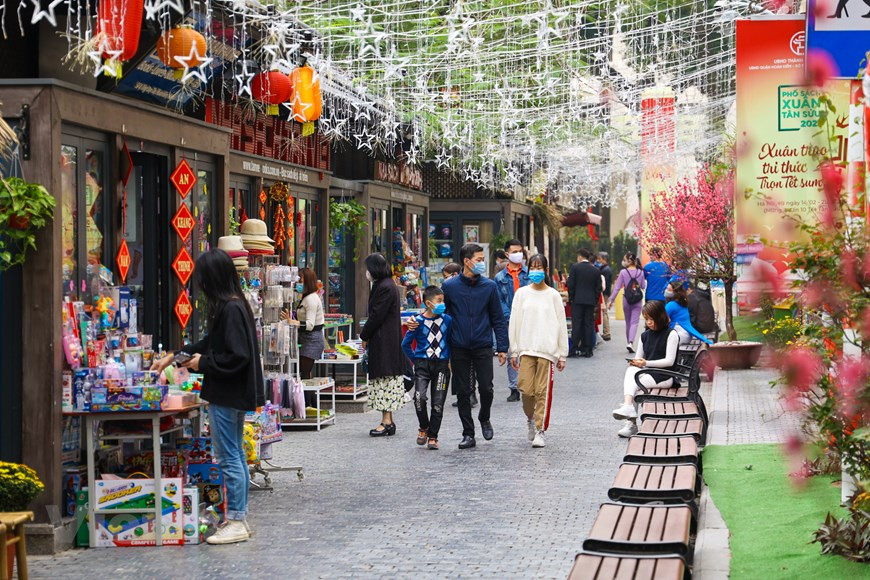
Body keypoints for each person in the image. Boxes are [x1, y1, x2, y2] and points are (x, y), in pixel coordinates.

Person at [151, 249, 263, 544]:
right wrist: (175, 356)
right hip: (233, 393)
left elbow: (235, 356)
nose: (198, 284)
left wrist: (203, 363)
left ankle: (237, 519)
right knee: (235, 455)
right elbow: (210, 343)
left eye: (201, 278)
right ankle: (237, 517)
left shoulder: (230, 309)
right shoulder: (232, 306)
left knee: (230, 457)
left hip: (228, 394)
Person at [410, 243, 508, 449]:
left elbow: (498, 318)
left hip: (482, 344)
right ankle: (468, 433)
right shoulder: (450, 287)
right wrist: (415, 322)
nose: (482, 263)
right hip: (458, 345)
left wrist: (502, 347)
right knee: (463, 391)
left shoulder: (489, 286)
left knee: (487, 388)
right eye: (479, 259)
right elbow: (436, 313)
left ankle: (484, 417)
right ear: (467, 261)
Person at [508, 254, 568, 448]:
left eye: (539, 267)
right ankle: (531, 418)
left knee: (543, 391)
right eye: (532, 267)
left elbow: (561, 323)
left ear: (545, 270)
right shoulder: (522, 294)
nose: (535, 271)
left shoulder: (553, 295)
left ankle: (540, 430)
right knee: (526, 390)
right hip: (526, 348)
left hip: (547, 350)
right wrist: (514, 350)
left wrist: (562, 353)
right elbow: (514, 322)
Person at [610, 301, 679, 437]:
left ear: (660, 317)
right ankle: (629, 406)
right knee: (631, 371)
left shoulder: (671, 334)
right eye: (646, 319)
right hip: (648, 373)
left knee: (636, 385)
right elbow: (638, 358)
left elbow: (669, 361)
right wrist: (636, 363)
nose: (649, 322)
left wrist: (646, 363)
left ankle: (631, 422)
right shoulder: (645, 336)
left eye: (651, 319)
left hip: (665, 376)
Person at [402, 286, 453, 450]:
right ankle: (423, 427)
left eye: (443, 301)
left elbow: (451, 340)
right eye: (439, 301)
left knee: (438, 402)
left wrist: (450, 359)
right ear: (428, 303)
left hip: (441, 365)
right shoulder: (417, 322)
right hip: (422, 365)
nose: (442, 304)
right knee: (419, 398)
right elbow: (405, 344)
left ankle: (433, 436)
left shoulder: (447, 320)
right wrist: (416, 360)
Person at [360, 253, 405, 437]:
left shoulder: (385, 287)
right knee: (385, 379)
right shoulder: (384, 285)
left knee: (385, 380)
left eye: (368, 268)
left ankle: (386, 421)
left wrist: (364, 334)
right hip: (385, 341)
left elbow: (377, 315)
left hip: (384, 341)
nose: (366, 272)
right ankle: (389, 420)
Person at [494, 239, 530, 402]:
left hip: (528, 318)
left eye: (520, 251)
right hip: (509, 320)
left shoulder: (529, 273)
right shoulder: (500, 277)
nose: (518, 254)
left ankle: (528, 385)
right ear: (507, 254)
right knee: (512, 354)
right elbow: (499, 300)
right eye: (515, 252)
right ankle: (514, 387)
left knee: (528, 353)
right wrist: (510, 315)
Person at [280, 267, 324, 379]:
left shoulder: (311, 299)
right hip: (307, 340)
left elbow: (309, 325)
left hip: (312, 341)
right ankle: (308, 396)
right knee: (304, 374)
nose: (298, 284)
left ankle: (307, 396)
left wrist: (292, 321)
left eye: (300, 281)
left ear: (308, 281)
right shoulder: (307, 298)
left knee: (304, 374)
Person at [567, 248, 602, 358]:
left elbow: (571, 285)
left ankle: (574, 348)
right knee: (588, 324)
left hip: (577, 300)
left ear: (580, 257)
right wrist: (595, 299)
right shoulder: (595, 270)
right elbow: (598, 288)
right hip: (590, 301)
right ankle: (588, 349)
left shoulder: (575, 268)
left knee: (577, 324)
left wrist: (571, 298)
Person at [608, 253, 646, 353]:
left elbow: (617, 288)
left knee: (628, 322)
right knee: (634, 322)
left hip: (626, 299)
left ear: (629, 261)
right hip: (637, 300)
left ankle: (628, 342)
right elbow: (642, 286)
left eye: (624, 259)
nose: (623, 261)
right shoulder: (640, 272)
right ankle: (630, 342)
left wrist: (611, 300)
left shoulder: (623, 272)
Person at [665, 279, 714, 346]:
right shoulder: (682, 302)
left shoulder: (671, 305)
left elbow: (662, 320)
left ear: (675, 292)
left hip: (678, 334)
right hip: (686, 334)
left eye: (669, 290)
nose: (666, 291)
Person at [596, 252, 613, 342]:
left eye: (599, 259)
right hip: (606, 293)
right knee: (604, 311)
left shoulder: (605, 270)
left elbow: (603, 285)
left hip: (604, 293)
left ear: (604, 259)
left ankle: (606, 333)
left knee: (604, 311)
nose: (598, 261)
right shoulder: (605, 269)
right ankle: (606, 332)